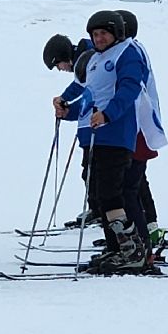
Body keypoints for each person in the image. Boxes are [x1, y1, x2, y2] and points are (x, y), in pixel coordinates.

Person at [57, 9, 148, 272]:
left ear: (116, 33)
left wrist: (108, 114)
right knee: (99, 196)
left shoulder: (126, 52)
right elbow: (90, 99)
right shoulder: (95, 60)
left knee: (111, 194)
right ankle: (115, 247)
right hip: (96, 135)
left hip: (115, 134)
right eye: (95, 34)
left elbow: (130, 88)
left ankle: (132, 251)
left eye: (104, 34)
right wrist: (68, 111)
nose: (98, 39)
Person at [115, 8, 168, 253]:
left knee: (132, 185)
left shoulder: (130, 52)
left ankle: (144, 234)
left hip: (138, 126)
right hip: (139, 125)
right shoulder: (132, 49)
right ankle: (144, 230)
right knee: (135, 183)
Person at [43, 34, 101, 228]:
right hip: (90, 127)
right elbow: (79, 90)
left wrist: (66, 103)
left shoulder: (88, 60)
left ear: (63, 56)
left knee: (95, 171)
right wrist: (64, 103)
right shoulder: (82, 63)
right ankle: (97, 209)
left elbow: (87, 95)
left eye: (58, 64)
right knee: (89, 170)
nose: (60, 69)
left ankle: (103, 211)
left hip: (97, 127)